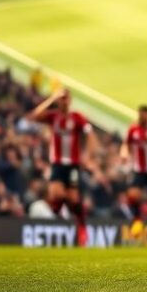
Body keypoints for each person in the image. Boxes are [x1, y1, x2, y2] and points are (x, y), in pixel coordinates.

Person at [28, 88, 96, 245]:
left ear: (70, 100)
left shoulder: (77, 117)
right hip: (57, 164)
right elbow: (34, 116)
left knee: (72, 199)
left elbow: (90, 134)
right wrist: (51, 99)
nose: (64, 101)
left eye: (66, 98)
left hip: (72, 165)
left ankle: (81, 227)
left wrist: (88, 155)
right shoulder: (53, 117)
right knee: (56, 195)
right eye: (61, 99)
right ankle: (65, 211)